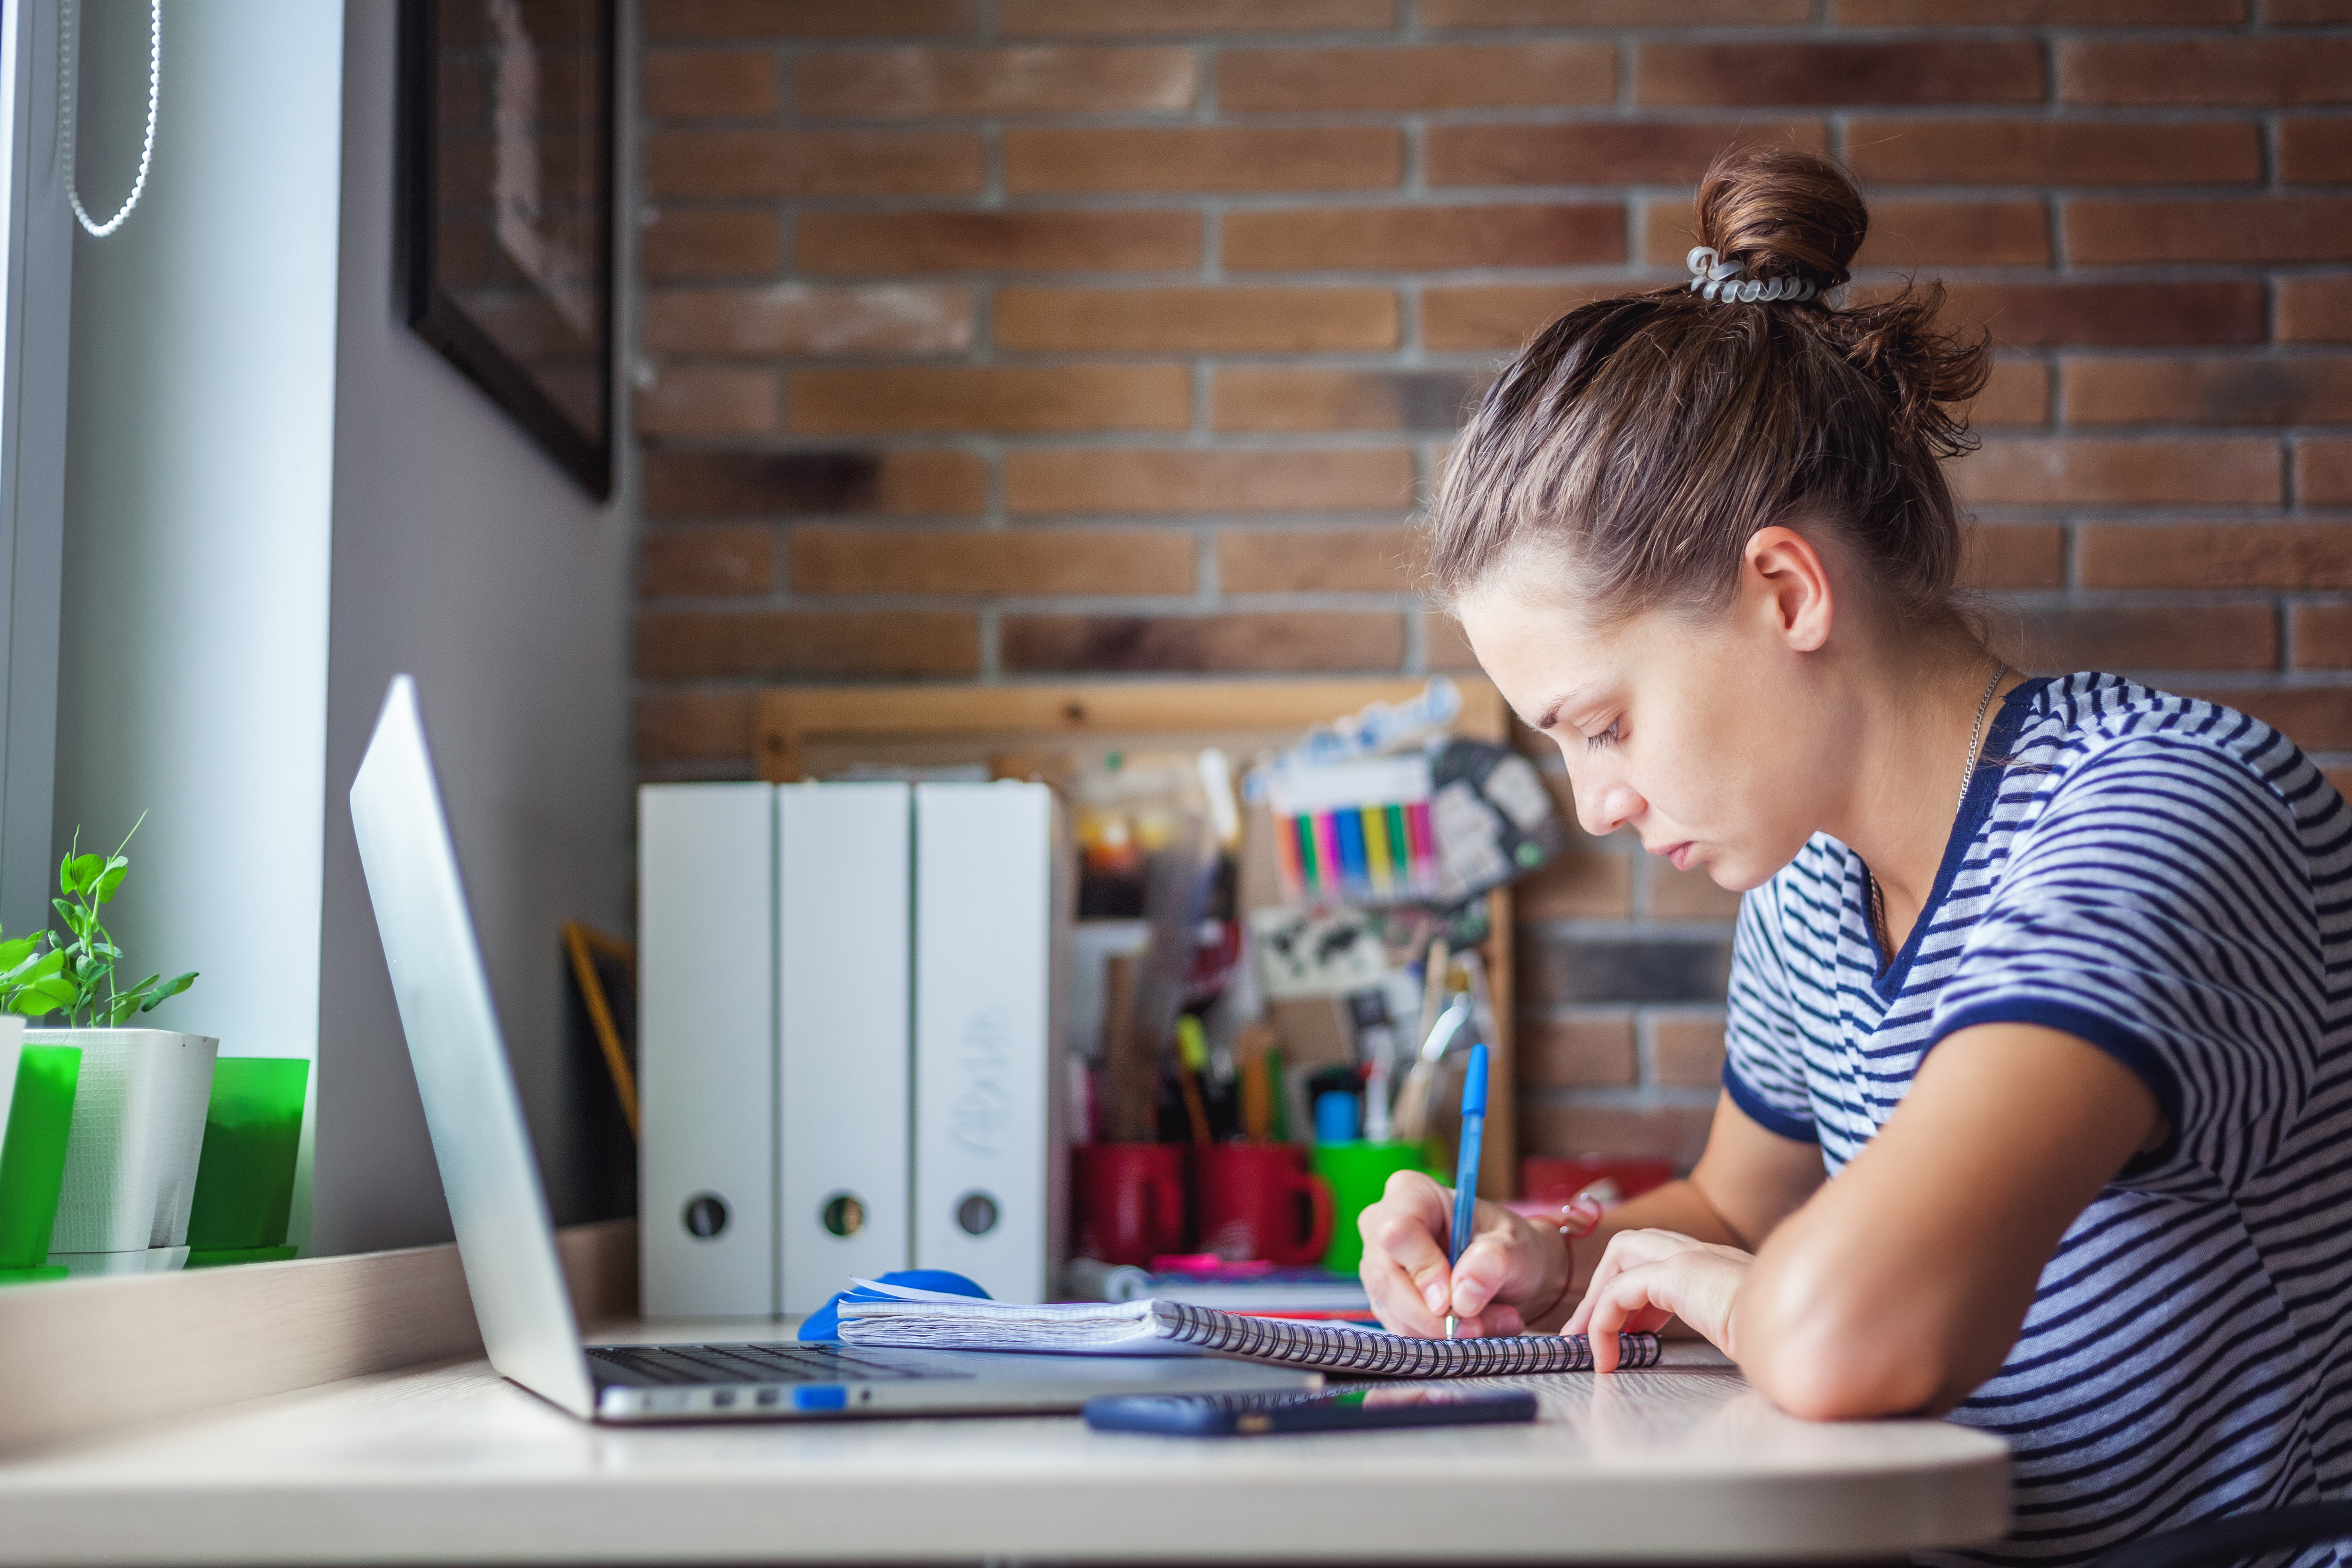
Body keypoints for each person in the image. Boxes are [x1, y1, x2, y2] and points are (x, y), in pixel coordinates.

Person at [1358, 147, 2352, 1565]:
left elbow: (1838, 1329)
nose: (1596, 806)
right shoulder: (1812, 888)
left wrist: (1703, 1279)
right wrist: (1551, 1250)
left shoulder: (2159, 817)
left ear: (1784, 590)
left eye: (1607, 724)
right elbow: (1737, 1212)